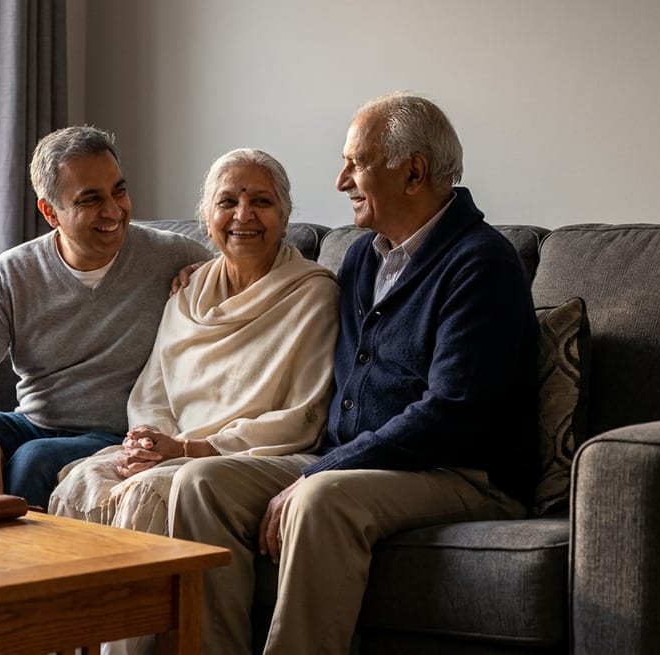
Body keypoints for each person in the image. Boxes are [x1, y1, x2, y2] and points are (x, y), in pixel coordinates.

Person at [168, 92, 540, 654]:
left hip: (462, 473)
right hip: (357, 460)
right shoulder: (365, 255)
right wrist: (214, 267)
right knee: (200, 484)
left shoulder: (481, 263)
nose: (342, 179)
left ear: (413, 171)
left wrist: (324, 469)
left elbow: (454, 412)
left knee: (321, 500)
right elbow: (283, 289)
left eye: (357, 163)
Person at [0, 125, 210, 510]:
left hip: (119, 433)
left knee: (34, 461)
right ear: (50, 212)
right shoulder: (13, 272)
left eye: (118, 191)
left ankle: (18, 570)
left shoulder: (174, 256)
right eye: (91, 199)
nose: (114, 211)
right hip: (34, 422)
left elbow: (248, 284)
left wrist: (208, 278)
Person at [48, 148, 338, 539]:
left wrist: (188, 450)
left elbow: (302, 417)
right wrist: (148, 443)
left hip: (251, 455)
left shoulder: (314, 294)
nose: (243, 215)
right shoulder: (187, 290)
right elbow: (153, 392)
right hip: (174, 452)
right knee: (83, 480)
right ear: (207, 217)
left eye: (262, 202)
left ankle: (152, 602)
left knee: (148, 493)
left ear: (285, 219)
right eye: (228, 202)